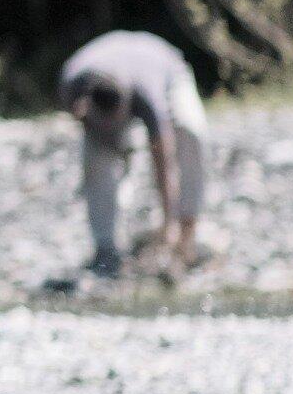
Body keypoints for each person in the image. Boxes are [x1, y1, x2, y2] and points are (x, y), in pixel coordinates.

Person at [58, 29, 206, 275]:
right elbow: (83, 123)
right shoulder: (71, 83)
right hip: (109, 64)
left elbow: (164, 159)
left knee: (191, 133)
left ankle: (186, 232)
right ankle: (105, 249)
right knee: (95, 156)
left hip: (165, 65)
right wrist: (105, 136)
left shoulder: (147, 95)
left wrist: (167, 220)